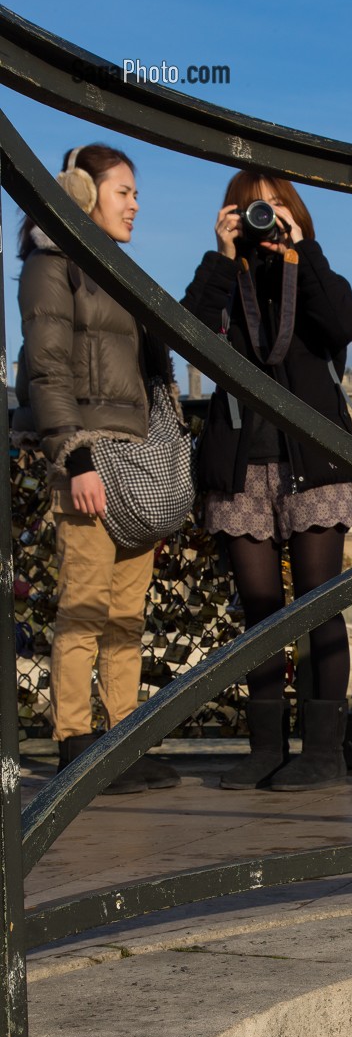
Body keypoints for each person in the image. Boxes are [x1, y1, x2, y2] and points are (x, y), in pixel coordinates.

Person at [182, 172, 352, 790]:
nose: (266, 215)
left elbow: (343, 324)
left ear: (294, 211)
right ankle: (265, 747)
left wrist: (298, 250)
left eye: (276, 203)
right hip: (241, 462)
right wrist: (221, 254)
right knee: (258, 612)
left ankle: (322, 750)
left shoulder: (310, 272)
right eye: (253, 206)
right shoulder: (227, 277)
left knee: (320, 604)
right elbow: (186, 331)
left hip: (312, 458)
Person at [13, 144, 180, 794]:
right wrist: (74, 457)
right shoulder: (50, 266)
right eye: (124, 191)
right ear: (82, 193)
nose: (136, 203)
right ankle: (76, 744)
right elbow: (47, 368)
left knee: (126, 617)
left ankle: (123, 742)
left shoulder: (118, 272)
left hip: (136, 464)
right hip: (86, 459)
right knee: (83, 610)